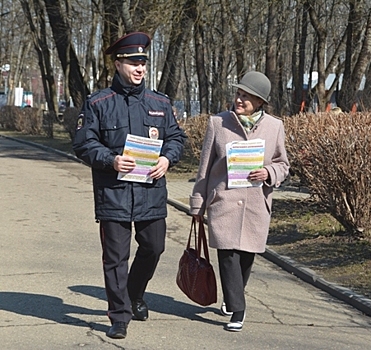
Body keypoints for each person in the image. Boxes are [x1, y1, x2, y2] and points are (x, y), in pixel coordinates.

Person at [73, 32, 186, 339]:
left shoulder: (159, 102)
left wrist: (167, 159)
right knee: (115, 258)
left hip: (150, 191)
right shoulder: (98, 103)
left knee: (154, 246)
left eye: (143, 63)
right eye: (134, 62)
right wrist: (111, 160)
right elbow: (84, 144)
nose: (140, 68)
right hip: (114, 193)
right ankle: (119, 316)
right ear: (118, 63)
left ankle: (134, 294)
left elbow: (176, 138)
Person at [189, 71, 289, 332]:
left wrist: (269, 173)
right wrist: (197, 205)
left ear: (260, 102)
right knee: (228, 254)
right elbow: (205, 168)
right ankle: (238, 310)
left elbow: (283, 164)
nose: (239, 99)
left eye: (247, 96)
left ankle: (234, 296)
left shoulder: (274, 127)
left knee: (246, 256)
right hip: (224, 201)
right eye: (238, 94)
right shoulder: (218, 123)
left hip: (256, 204)